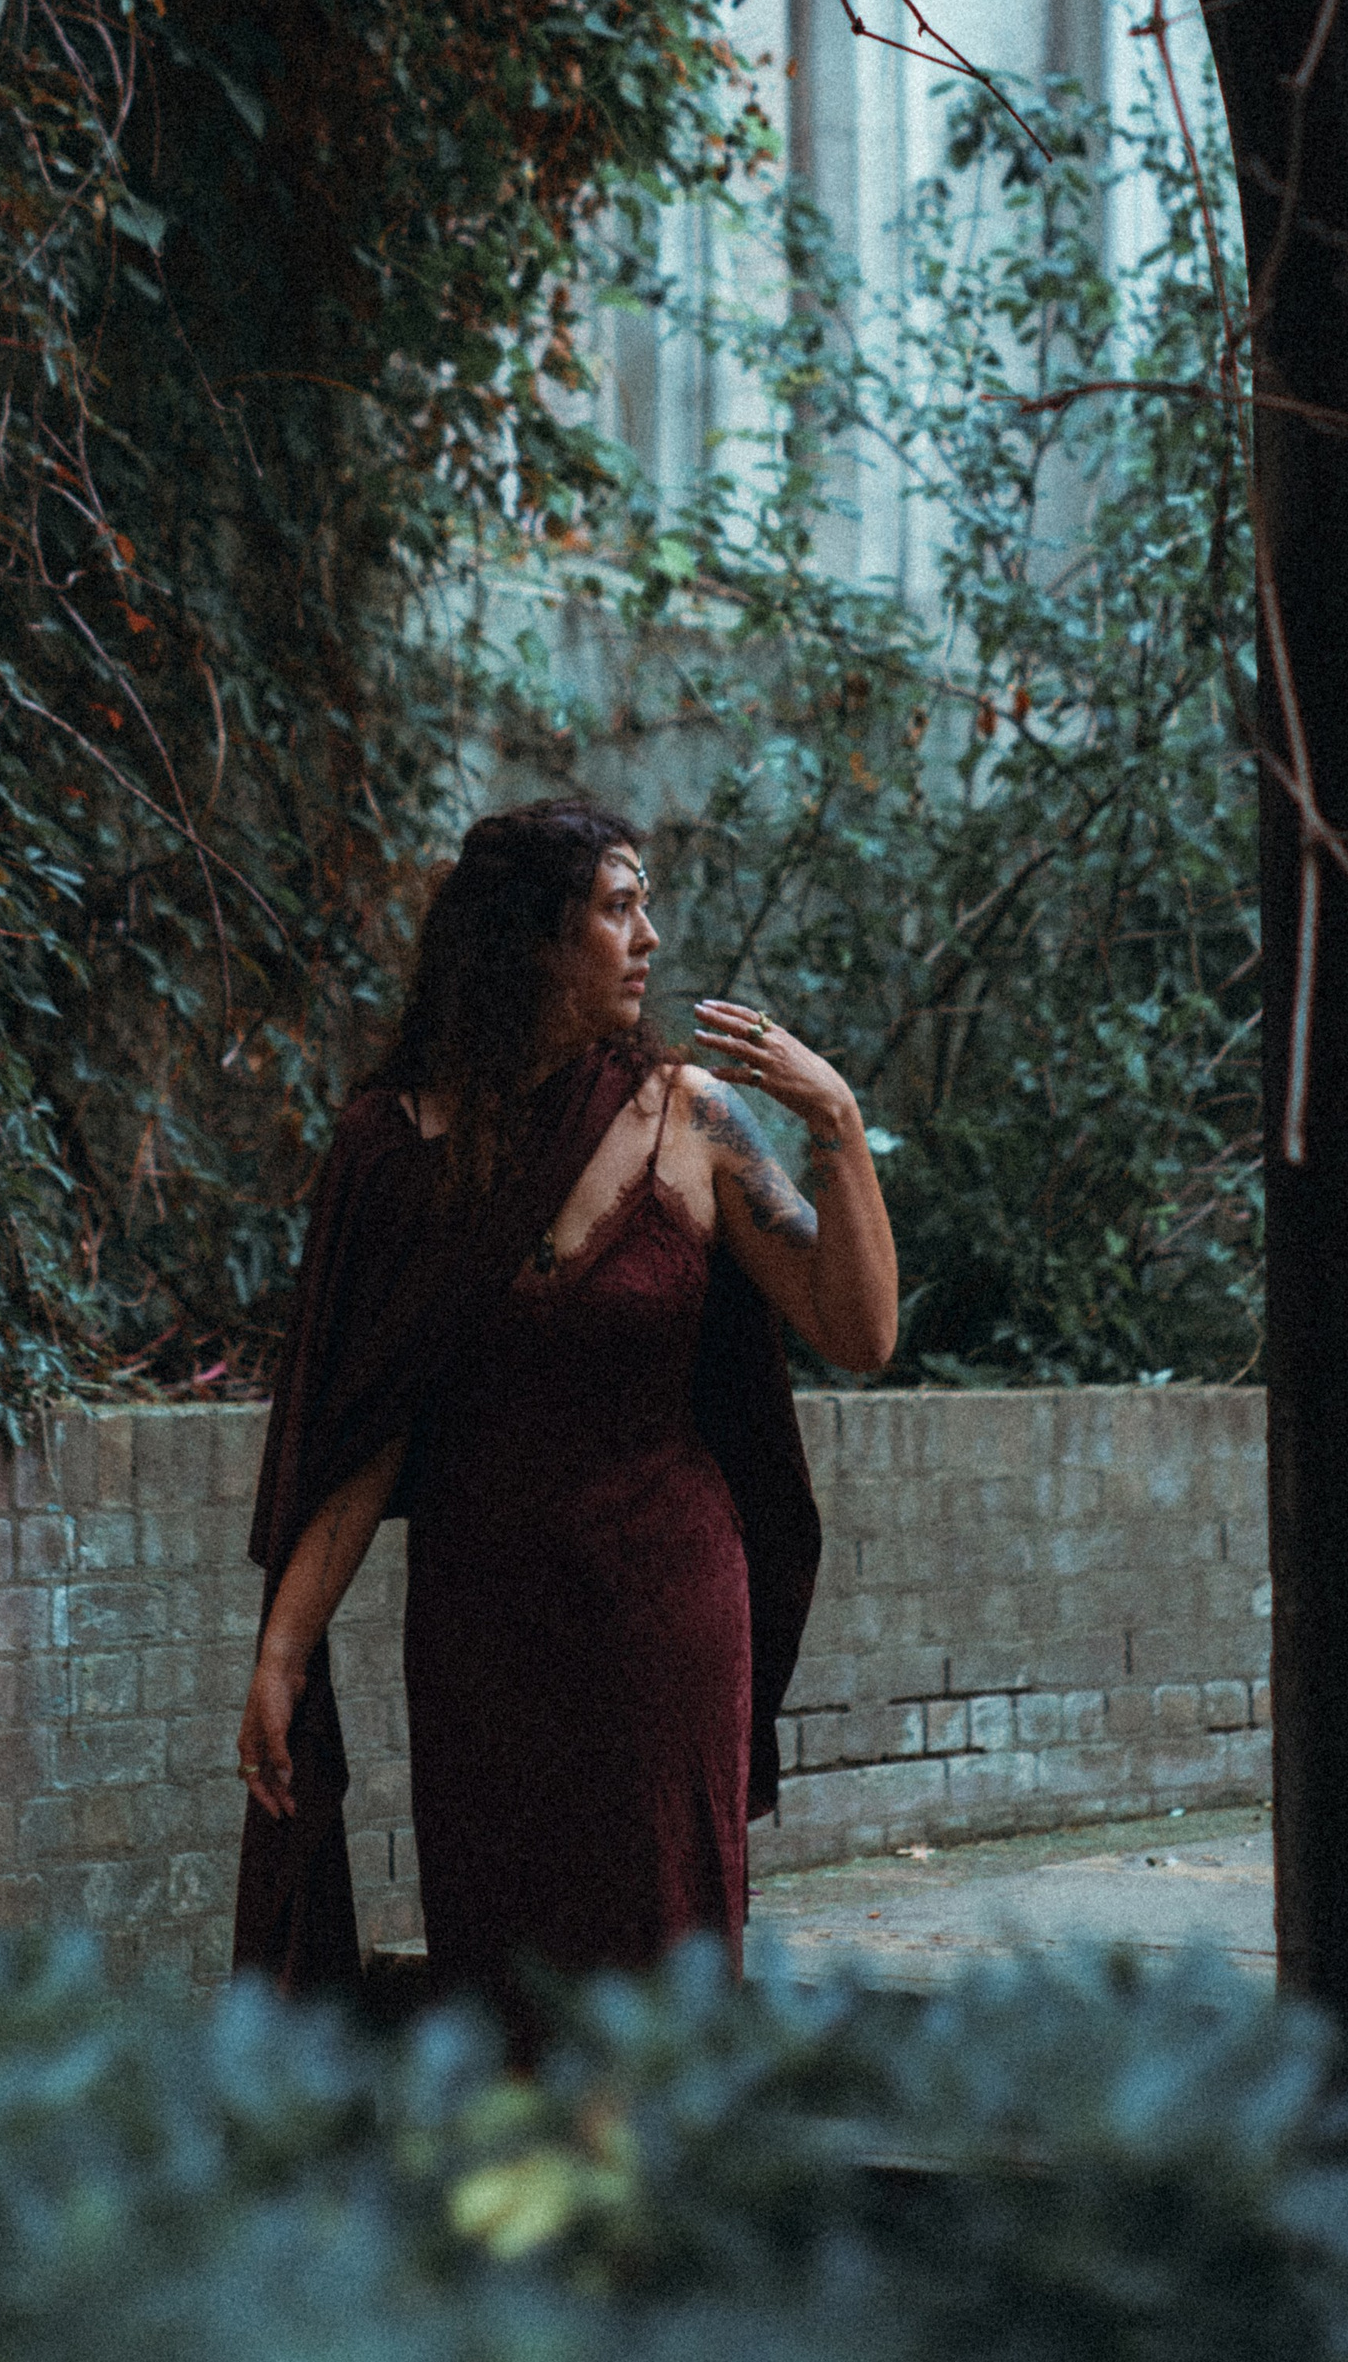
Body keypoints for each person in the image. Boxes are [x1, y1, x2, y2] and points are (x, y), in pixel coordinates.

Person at [230, 796, 899, 2038]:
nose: (649, 933)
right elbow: (362, 1433)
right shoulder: (396, 1146)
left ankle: (659, 2223)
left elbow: (857, 1331)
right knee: (499, 1978)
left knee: (660, 1968)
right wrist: (280, 1655)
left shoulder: (693, 1117)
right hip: (483, 1637)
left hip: (665, 1621)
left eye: (643, 903)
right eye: (617, 905)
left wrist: (837, 1124)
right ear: (533, 937)